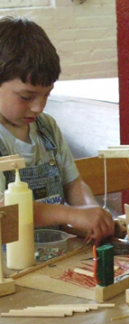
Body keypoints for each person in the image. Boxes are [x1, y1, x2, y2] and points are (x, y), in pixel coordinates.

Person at [0, 16, 116, 246]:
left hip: (51, 254)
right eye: (26, 96)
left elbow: (72, 183)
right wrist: (71, 215)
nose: (38, 106)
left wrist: (89, 211)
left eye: (47, 94)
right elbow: (5, 210)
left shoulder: (46, 128)